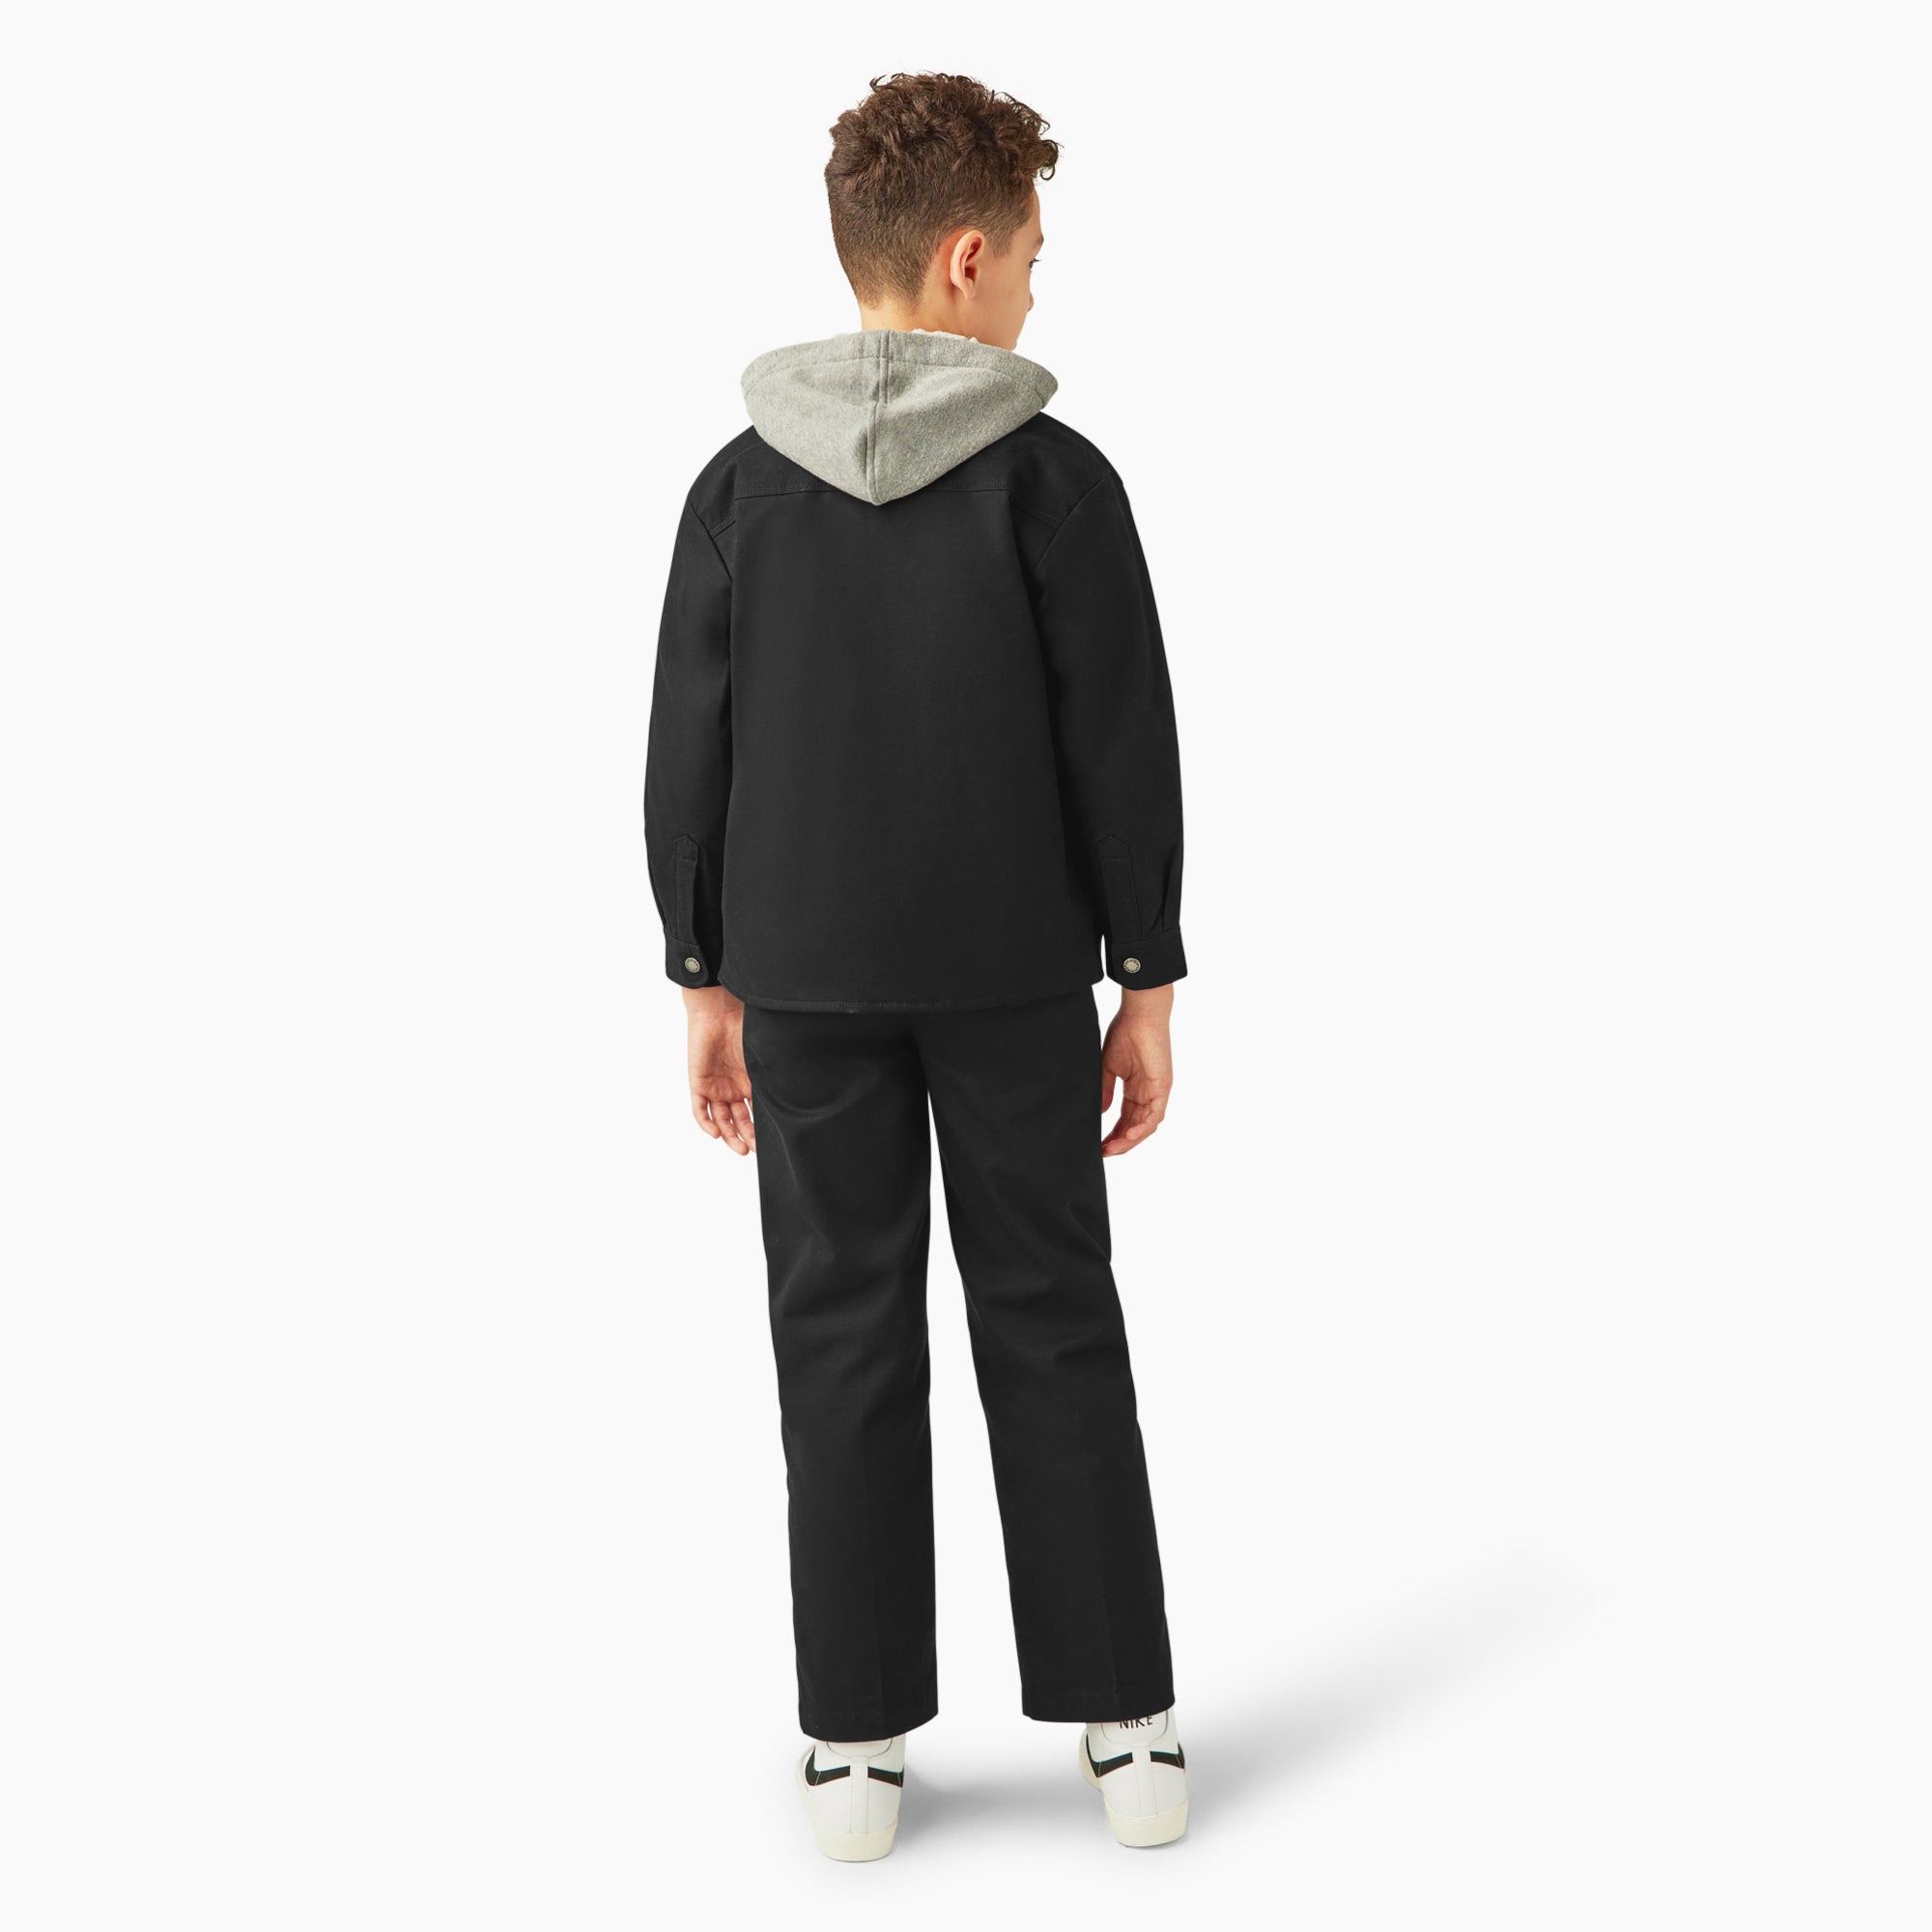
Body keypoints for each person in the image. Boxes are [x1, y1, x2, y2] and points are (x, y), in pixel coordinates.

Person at [643, 71, 1191, 1858]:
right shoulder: (1055, 480)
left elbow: (691, 747)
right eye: (1029, 255)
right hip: (1015, 981)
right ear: (965, 257)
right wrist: (1146, 972)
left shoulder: (738, 485)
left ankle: (856, 1744)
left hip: (803, 982)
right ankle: (1127, 1721)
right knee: (1054, 1319)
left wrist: (703, 970)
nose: (1034, 289)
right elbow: (1121, 740)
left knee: (838, 1335)